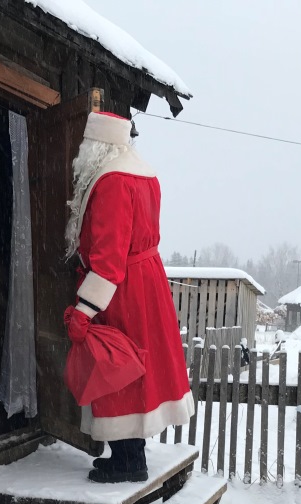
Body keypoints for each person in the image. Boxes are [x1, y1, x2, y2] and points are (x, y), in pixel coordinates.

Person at [62, 111, 194, 483]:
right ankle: (128, 454)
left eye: (86, 144)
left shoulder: (112, 181)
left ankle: (128, 461)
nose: (81, 152)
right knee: (135, 366)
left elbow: (109, 256)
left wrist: (85, 309)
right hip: (145, 280)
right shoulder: (143, 173)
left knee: (117, 367)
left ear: (97, 145)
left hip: (123, 289)